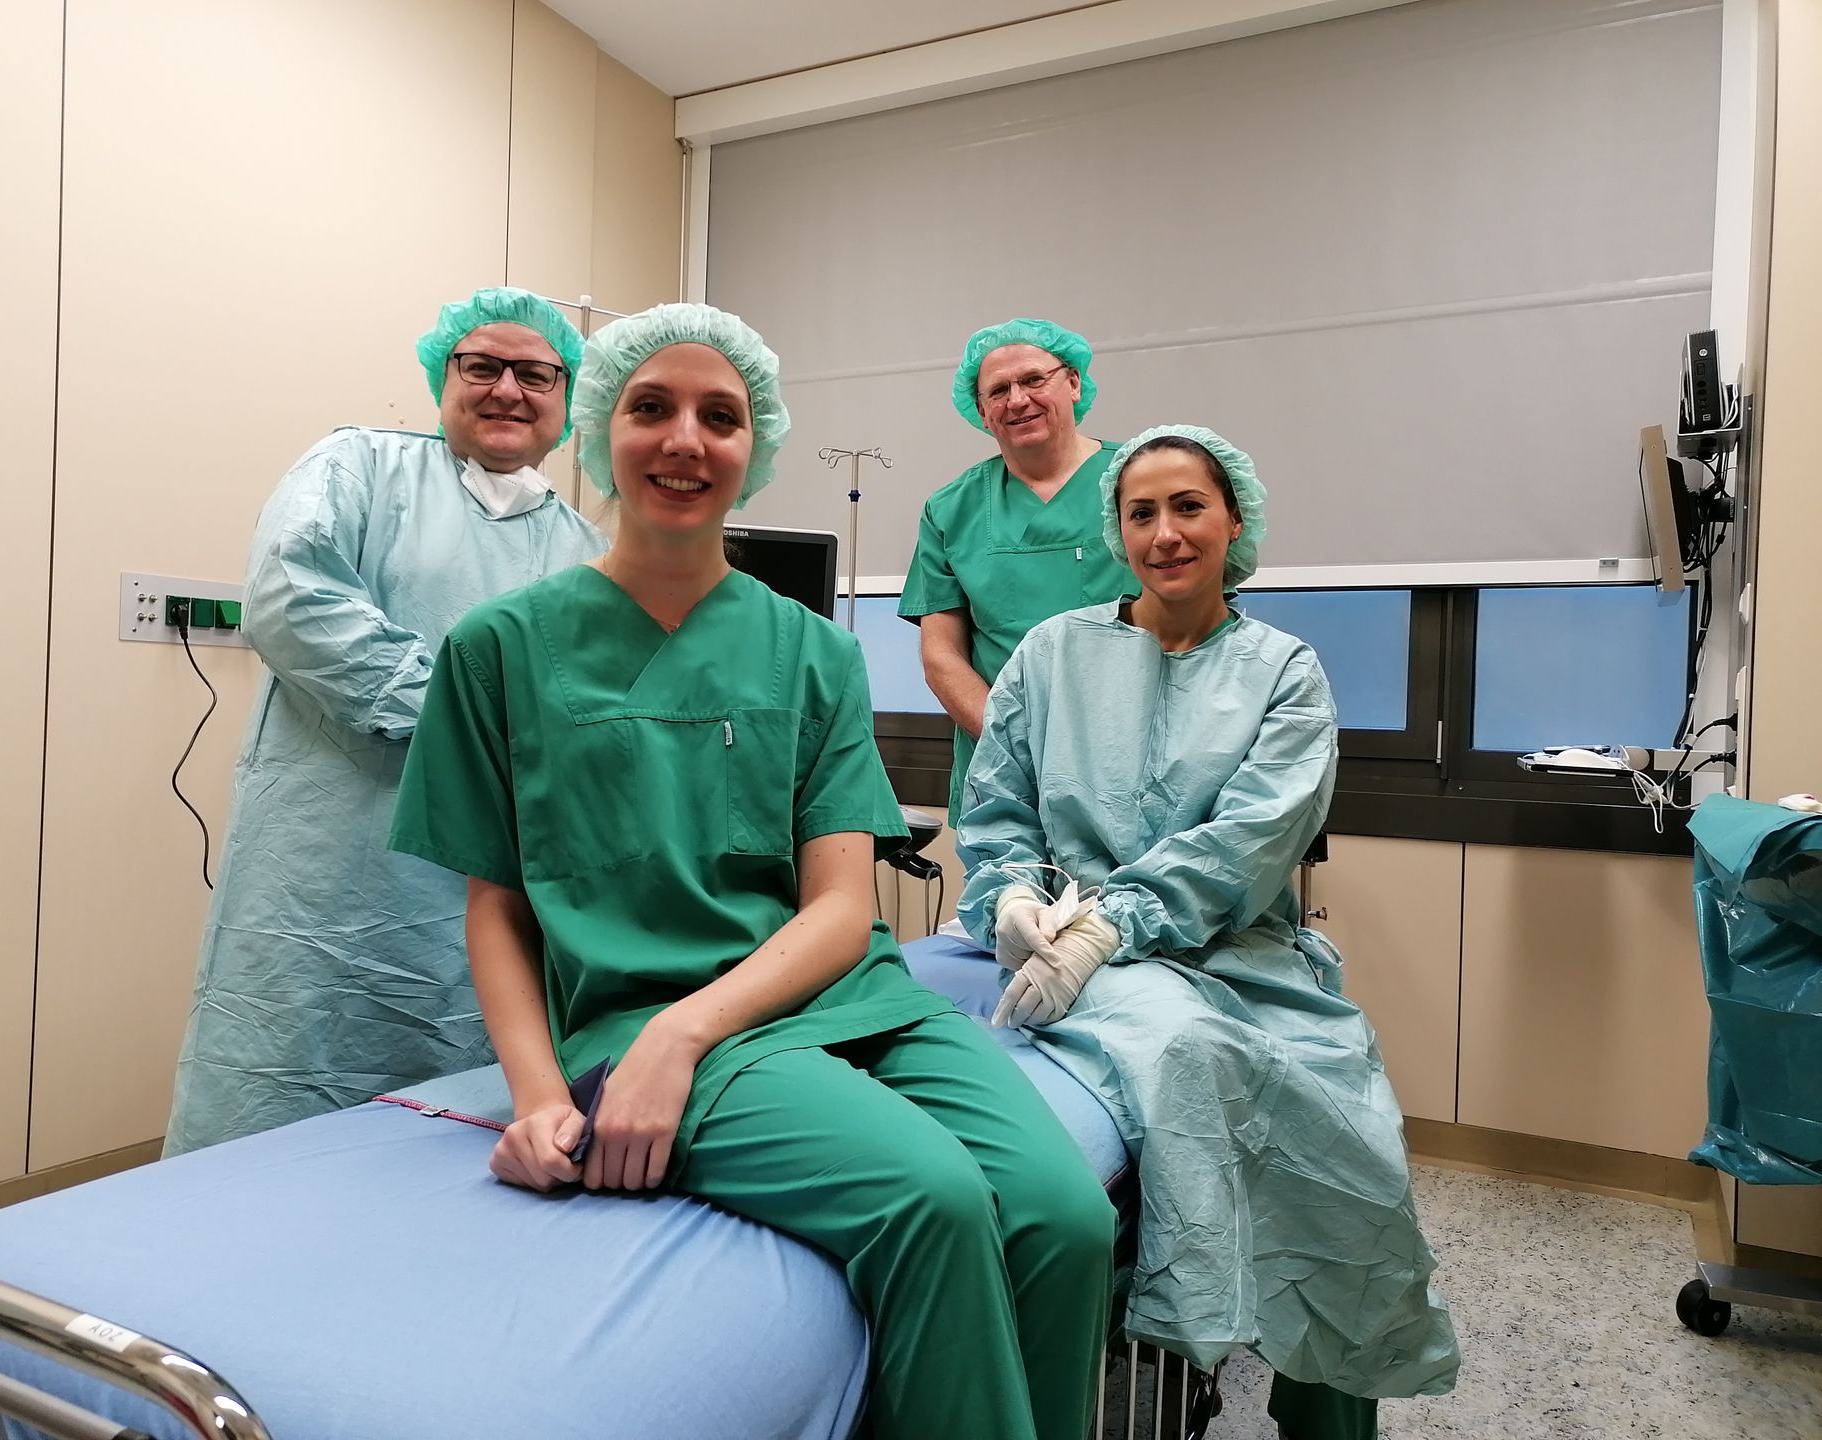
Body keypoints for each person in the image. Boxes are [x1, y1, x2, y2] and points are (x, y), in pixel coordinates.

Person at [388, 303, 1115, 1440]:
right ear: (599, 430)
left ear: (753, 448)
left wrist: (689, 1035)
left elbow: (839, 910)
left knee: (1064, 1213)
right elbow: (497, 905)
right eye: (651, 409)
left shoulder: (814, 649)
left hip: (845, 998)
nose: (686, 440)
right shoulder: (499, 647)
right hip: (636, 1015)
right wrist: (540, 1096)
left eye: (720, 417)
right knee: (932, 1201)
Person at [956, 425, 1461, 1439]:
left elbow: (1251, 841)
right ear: (1117, 528)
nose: (1165, 532)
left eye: (1189, 506)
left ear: (1235, 522)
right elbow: (997, 811)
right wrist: (1013, 901)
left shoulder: (1284, 670)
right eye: (1141, 512)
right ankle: (1172, 1318)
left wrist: (1118, 923)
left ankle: (1323, 1413)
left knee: (1358, 1150)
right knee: (1183, 1052)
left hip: (1243, 956)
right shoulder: (1053, 654)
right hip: (1073, 948)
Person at [163, 287, 606, 1156]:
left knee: (455, 1121)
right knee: (283, 1092)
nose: (507, 389)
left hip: (491, 883)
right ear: (444, 378)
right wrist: (469, 723)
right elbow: (295, 602)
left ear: (567, 399)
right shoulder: (356, 470)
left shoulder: (587, 552)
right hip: (330, 875)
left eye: (535, 373)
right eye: (481, 366)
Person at [899, 318, 1133, 819]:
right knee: (1011, 896)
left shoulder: (1137, 483)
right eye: (998, 390)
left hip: (1133, 758)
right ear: (982, 411)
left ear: (1072, 383)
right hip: (1006, 770)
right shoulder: (951, 510)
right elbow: (941, 656)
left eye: (1033, 380)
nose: (1017, 399)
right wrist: (1015, 744)